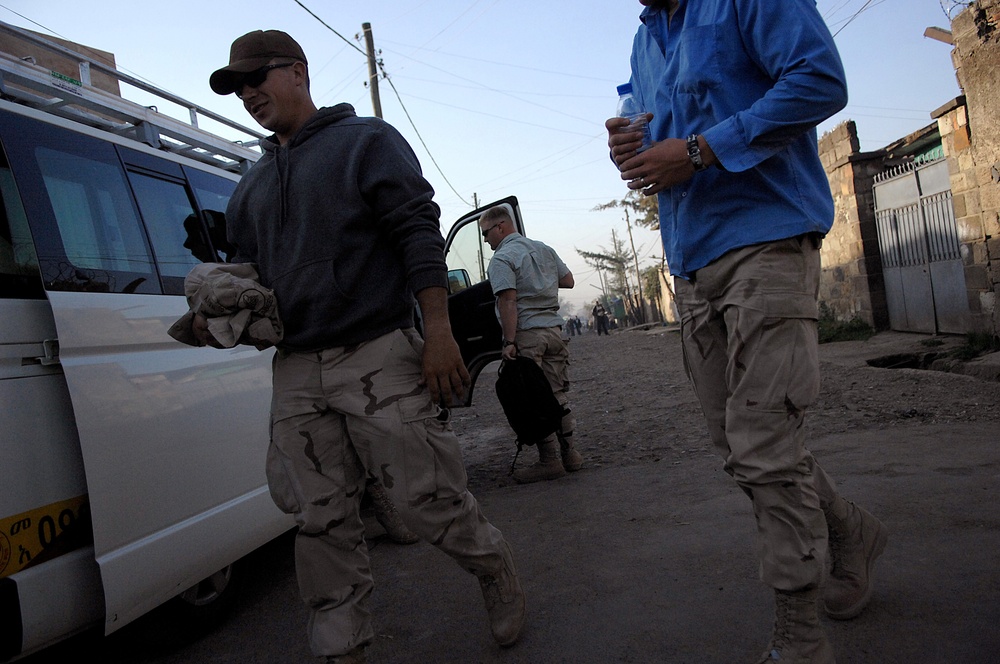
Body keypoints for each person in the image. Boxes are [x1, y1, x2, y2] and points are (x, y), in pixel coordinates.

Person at [201, 29, 524, 663]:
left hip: (377, 352)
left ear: (297, 72)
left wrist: (438, 332)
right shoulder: (250, 187)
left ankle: (493, 568)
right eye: (236, 86)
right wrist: (221, 295)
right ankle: (341, 645)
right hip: (295, 369)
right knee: (317, 519)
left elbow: (416, 232)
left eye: (256, 77)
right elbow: (251, 277)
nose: (247, 93)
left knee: (426, 501)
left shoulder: (366, 142)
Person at [606, 2, 888, 662]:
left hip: (768, 237)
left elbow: (819, 79)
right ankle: (848, 529)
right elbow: (643, 117)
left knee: (762, 443)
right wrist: (627, 142)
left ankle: (800, 633)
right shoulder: (646, 40)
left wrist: (701, 150)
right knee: (741, 443)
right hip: (692, 258)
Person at [478, 206, 583, 483]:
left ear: (500, 226)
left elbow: (508, 300)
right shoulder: (543, 248)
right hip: (554, 331)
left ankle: (549, 461)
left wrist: (510, 342)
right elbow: (568, 280)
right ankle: (571, 455)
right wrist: (541, 282)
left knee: (532, 399)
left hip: (527, 334)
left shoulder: (502, 258)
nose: (486, 241)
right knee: (557, 393)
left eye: (486, 234)